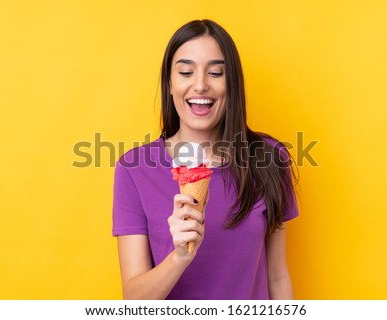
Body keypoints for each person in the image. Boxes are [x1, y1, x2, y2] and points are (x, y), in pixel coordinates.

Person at [112, 19, 299, 300]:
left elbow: (278, 276)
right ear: (170, 84)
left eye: (215, 73)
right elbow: (134, 300)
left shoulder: (270, 159)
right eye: (186, 72)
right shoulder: (134, 169)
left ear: (232, 84)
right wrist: (179, 257)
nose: (200, 86)